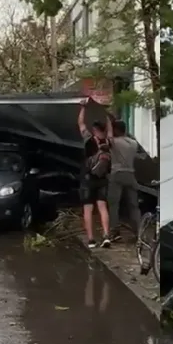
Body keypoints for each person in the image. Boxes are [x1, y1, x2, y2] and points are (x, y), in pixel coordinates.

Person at [77, 98, 112, 248]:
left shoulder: (89, 140)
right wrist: (107, 113)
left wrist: (83, 107)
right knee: (103, 207)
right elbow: (110, 129)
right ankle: (106, 235)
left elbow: (80, 124)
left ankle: (91, 240)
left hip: (88, 179)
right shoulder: (108, 142)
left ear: (94, 130)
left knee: (88, 209)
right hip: (103, 179)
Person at [107, 118, 142, 242]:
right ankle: (139, 233)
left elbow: (109, 136)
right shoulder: (133, 143)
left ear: (115, 129)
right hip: (130, 175)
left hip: (117, 174)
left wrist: (108, 121)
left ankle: (114, 232)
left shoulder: (114, 142)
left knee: (113, 205)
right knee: (133, 205)